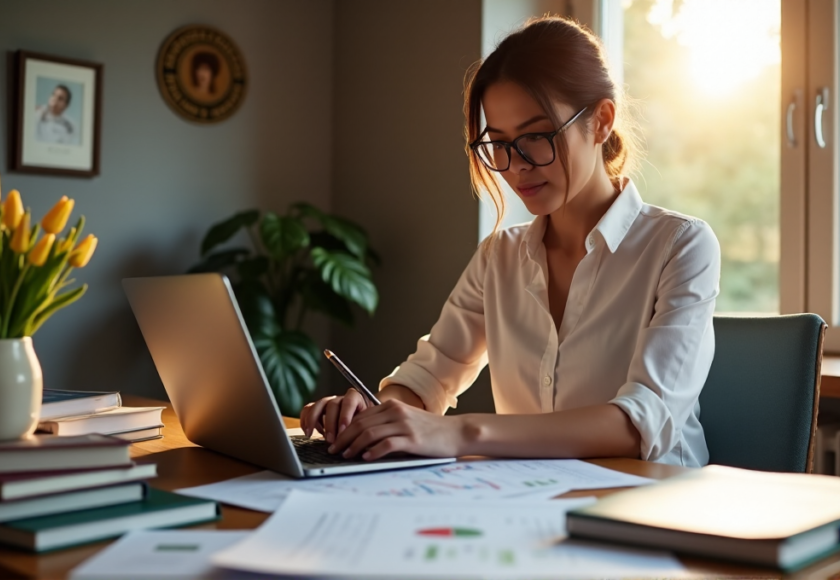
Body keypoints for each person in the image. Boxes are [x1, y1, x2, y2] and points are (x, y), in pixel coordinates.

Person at [301, 16, 720, 467]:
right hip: (527, 503)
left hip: (651, 506)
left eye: (535, 137)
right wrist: (377, 413)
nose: (515, 165)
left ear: (601, 121)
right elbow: (430, 375)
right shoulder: (499, 257)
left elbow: (639, 425)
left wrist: (458, 432)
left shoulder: (680, 246)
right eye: (497, 143)